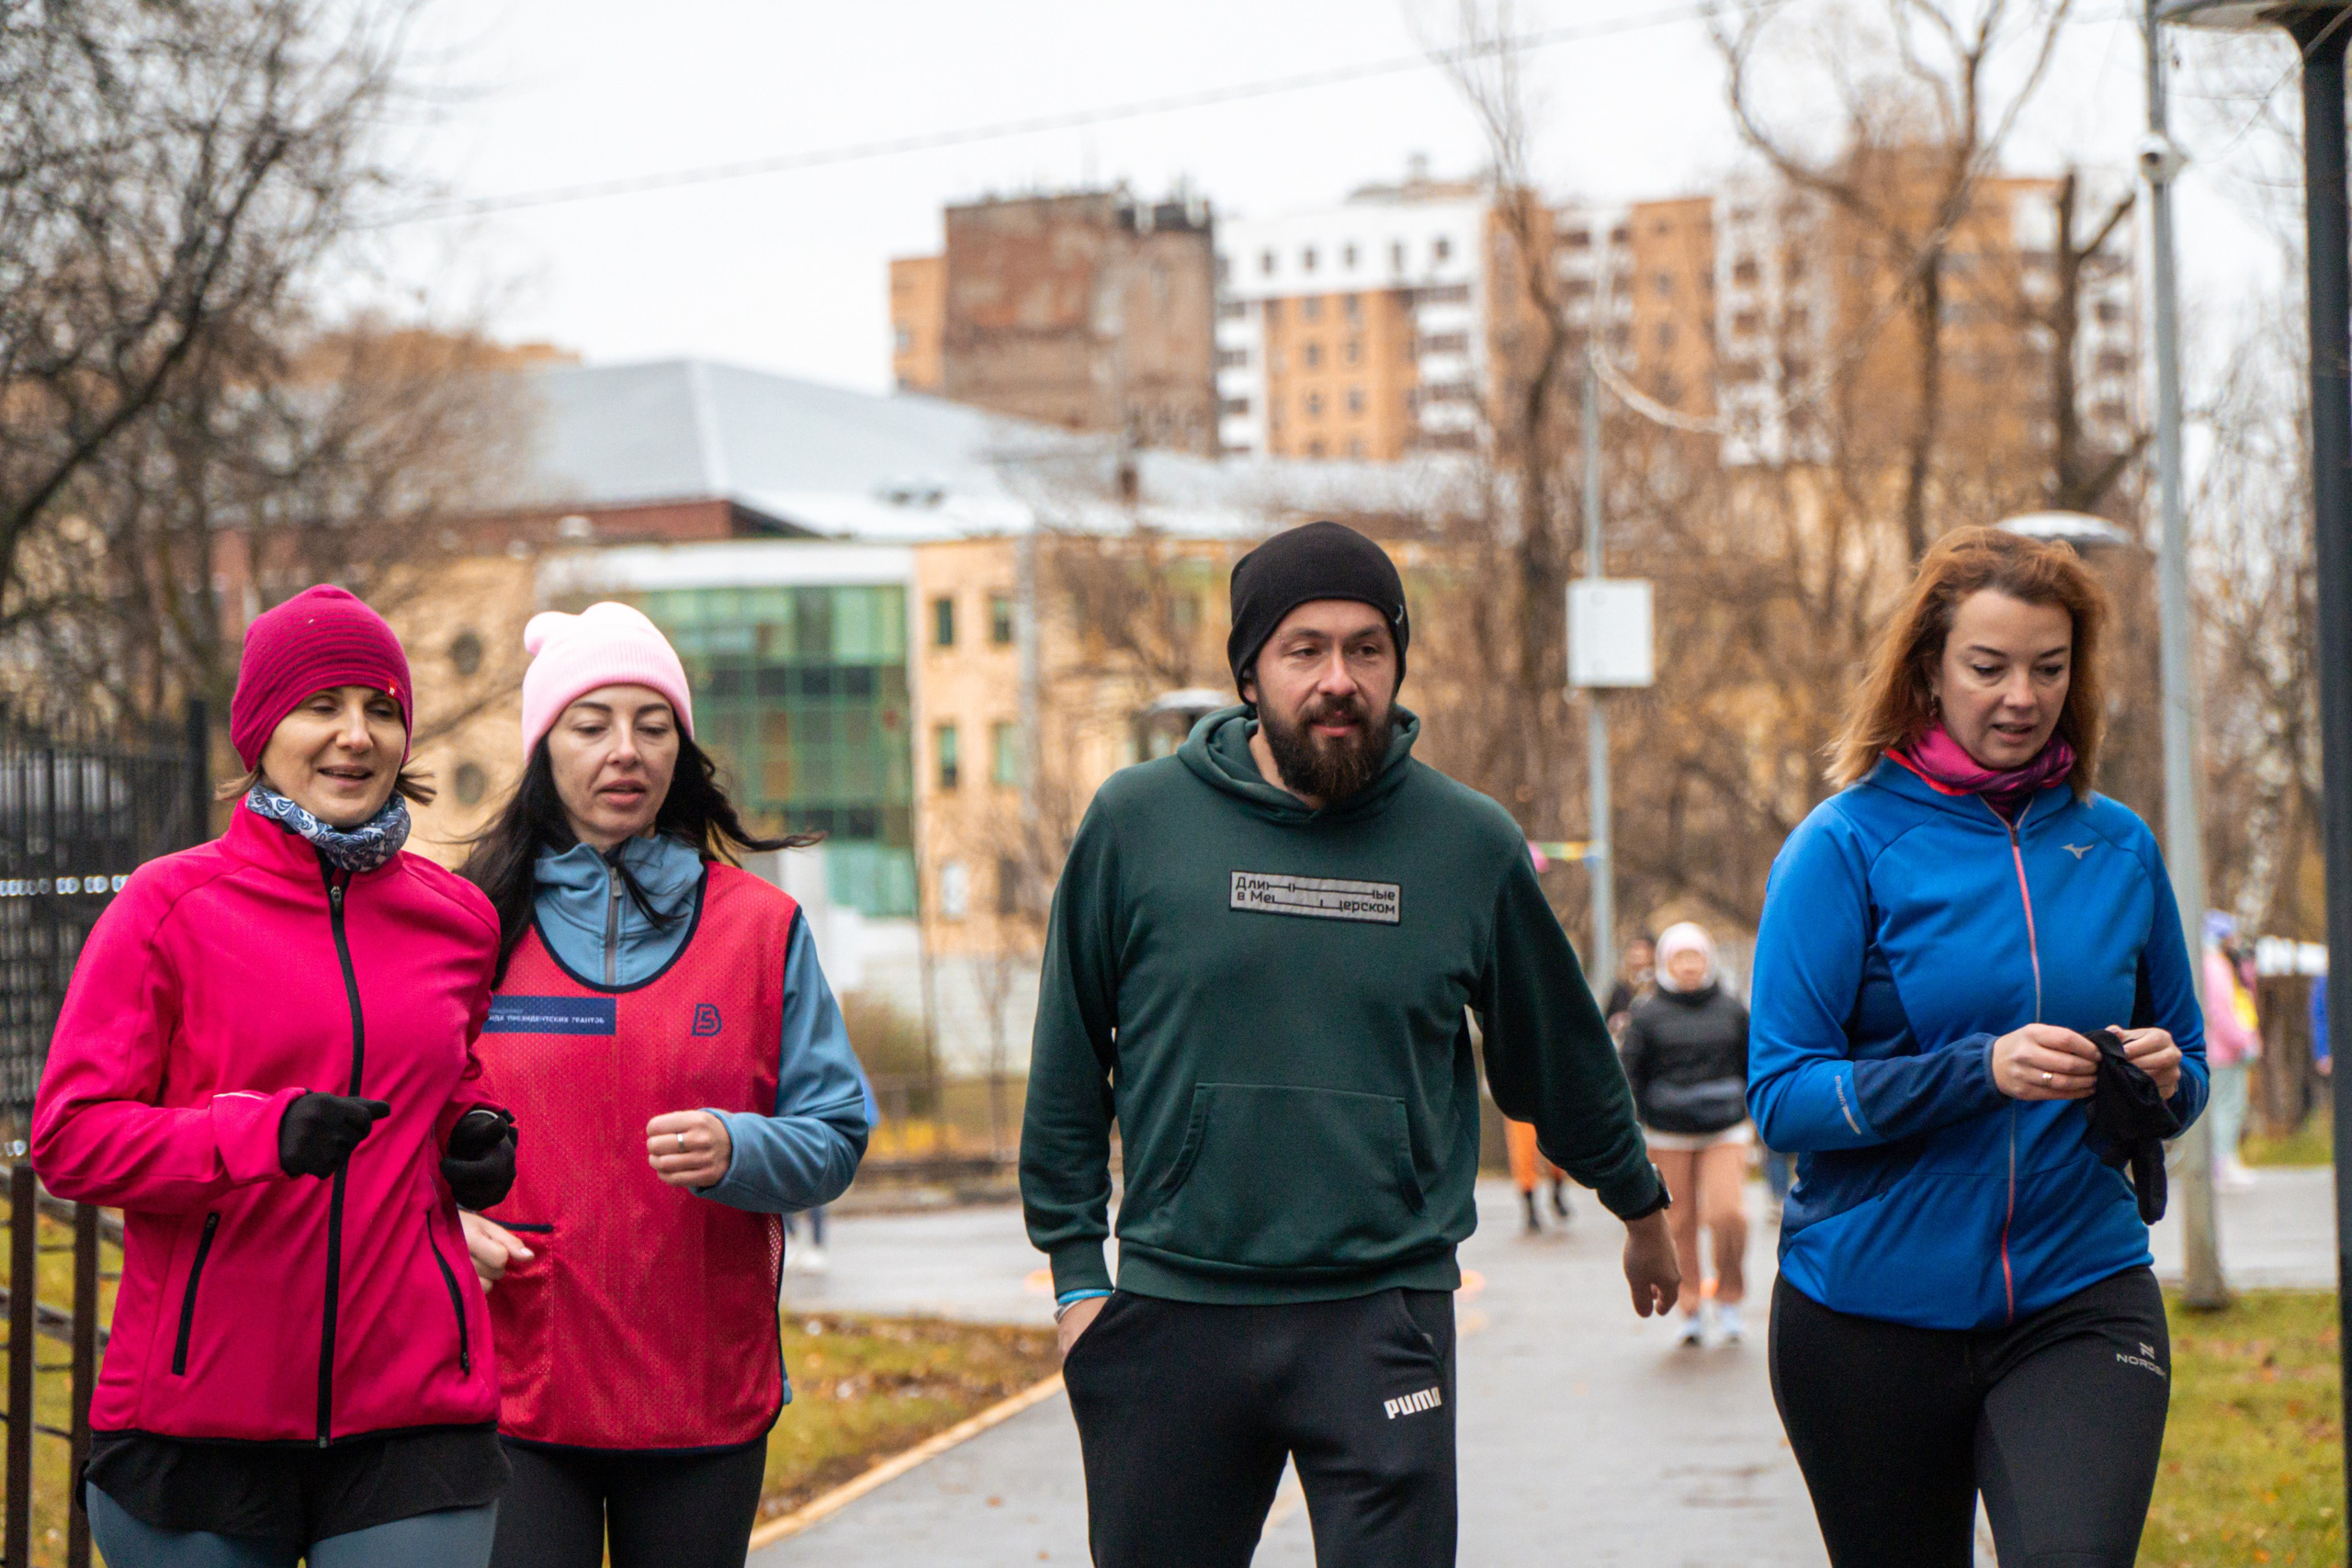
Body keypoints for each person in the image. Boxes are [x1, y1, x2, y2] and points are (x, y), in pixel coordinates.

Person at [1022, 521, 1677, 1568]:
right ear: (1249, 674)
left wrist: (1638, 1203)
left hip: (1382, 1312)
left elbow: (1552, 1049)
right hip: (1175, 1309)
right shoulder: (1135, 825)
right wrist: (1073, 1278)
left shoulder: (1466, 844)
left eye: (1367, 648)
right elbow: (1065, 1061)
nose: (1339, 679)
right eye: (1305, 650)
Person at [1750, 526, 2206, 1568]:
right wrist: (1979, 1070)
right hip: (1866, 1311)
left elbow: (2186, 1058)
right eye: (1988, 667)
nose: (2020, 696)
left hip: (2078, 1290)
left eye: (2048, 669)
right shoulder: (1845, 844)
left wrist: (2163, 1082)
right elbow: (1781, 1096)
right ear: (1928, 670)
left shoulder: (2119, 844)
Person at [32, 586, 515, 1567]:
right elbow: (69, 1137)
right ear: (261, 730)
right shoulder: (170, 908)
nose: (356, 736)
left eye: (382, 709)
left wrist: (471, 1140)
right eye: (322, 705)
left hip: (414, 1411)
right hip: (197, 1419)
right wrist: (255, 1135)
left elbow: (447, 1082)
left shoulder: (459, 921)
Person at [455, 604, 869, 1568]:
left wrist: (743, 1148)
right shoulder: (471, 926)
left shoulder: (761, 929)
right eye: (590, 723)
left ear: (681, 751)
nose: (624, 750)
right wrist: (441, 1220)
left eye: (652, 725)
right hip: (519, 1385)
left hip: (699, 1393)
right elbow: (402, 1125)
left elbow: (837, 1132)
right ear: (542, 748)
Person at [1620, 921, 1751, 1347]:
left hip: (1725, 1128)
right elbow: (1630, 1073)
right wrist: (1633, 1124)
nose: (1690, 966)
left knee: (1727, 1214)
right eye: (1681, 958)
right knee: (1679, 1223)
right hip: (1667, 1132)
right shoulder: (1646, 1012)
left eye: (1697, 957)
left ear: (1709, 961)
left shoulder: (1733, 1008)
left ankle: (1729, 1299)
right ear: (1666, 963)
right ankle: (1691, 1306)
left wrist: (1756, 1113)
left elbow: (1753, 1062)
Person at [2200, 911, 2263, 1190]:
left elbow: (2244, 994)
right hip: (2224, 1051)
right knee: (2228, 1108)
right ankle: (2223, 1163)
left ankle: (2226, 1160)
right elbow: (2221, 1012)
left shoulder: (2221, 964)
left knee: (2230, 1106)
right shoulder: (2214, 967)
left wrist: (2246, 965)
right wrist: (2243, 1042)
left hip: (2224, 1049)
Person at [1503, 1116, 1572, 1233]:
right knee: (1523, 1152)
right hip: (1519, 1103)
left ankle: (1557, 1191)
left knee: (1558, 1145)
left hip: (1551, 1100)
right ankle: (1531, 1210)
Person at [1604, 933, 1657, 1036]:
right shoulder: (1621, 987)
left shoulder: (1658, 986)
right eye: (1634, 948)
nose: (1637, 953)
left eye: (1641, 948)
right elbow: (1607, 1019)